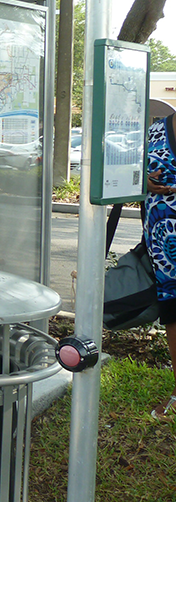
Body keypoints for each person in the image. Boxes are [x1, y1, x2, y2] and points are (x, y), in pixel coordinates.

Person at [143, 112, 176, 420]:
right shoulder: (154, 131)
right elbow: (127, 173)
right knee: (173, 315)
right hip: (166, 253)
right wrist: (143, 182)